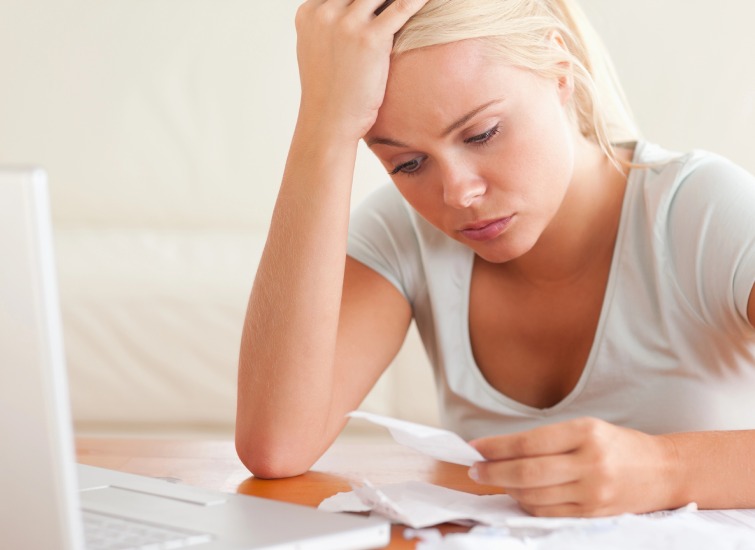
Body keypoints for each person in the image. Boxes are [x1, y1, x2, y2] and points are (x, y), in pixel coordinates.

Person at [235, 0, 755, 518]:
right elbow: (276, 447)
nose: (458, 193)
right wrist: (324, 125)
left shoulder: (704, 210)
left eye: (482, 134)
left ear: (559, 71)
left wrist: (667, 469)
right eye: (408, 163)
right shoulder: (404, 234)